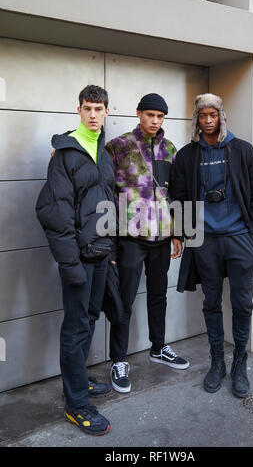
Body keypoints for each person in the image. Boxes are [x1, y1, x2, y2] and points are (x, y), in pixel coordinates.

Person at [173, 93, 253, 398]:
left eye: (213, 115)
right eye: (203, 116)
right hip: (205, 240)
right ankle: (217, 363)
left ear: (221, 116)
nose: (209, 120)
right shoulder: (188, 155)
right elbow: (177, 195)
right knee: (211, 302)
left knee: (243, 304)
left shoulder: (241, 150)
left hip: (239, 238)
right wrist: (184, 233)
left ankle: (240, 363)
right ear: (197, 119)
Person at [36, 85, 117, 436]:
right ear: (79, 111)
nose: (94, 114)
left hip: (101, 255)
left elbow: (108, 203)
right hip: (78, 259)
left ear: (107, 112)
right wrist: (70, 265)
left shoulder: (104, 152)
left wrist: (110, 249)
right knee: (74, 327)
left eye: (99, 108)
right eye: (88, 108)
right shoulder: (66, 153)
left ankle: (78, 380)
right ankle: (76, 404)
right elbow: (54, 214)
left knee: (88, 319)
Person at [105, 93, 190, 393]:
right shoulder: (118, 146)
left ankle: (158, 347)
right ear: (139, 113)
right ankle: (118, 359)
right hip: (130, 238)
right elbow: (102, 188)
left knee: (158, 296)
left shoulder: (171, 150)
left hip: (162, 238)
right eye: (150, 114)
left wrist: (179, 233)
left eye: (160, 116)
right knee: (123, 300)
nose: (155, 121)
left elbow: (179, 192)